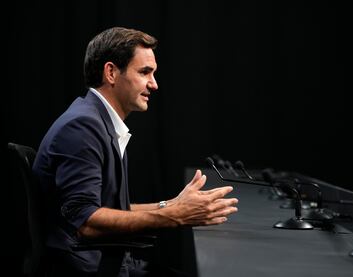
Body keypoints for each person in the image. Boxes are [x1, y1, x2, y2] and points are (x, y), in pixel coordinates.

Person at [33, 26, 238, 277]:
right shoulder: (82, 127)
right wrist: (174, 216)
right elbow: (86, 221)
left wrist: (170, 205)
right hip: (88, 269)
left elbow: (106, 208)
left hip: (105, 263)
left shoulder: (96, 119)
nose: (154, 84)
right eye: (144, 72)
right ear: (111, 72)